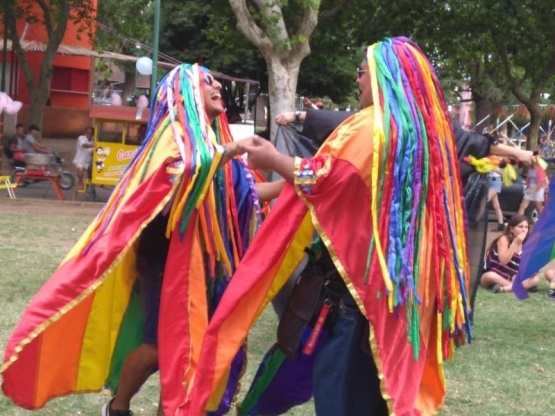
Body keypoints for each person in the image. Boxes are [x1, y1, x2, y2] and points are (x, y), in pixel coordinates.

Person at [183, 37, 472, 416]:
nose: (359, 81)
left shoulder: (376, 127)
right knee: (349, 391)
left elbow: (327, 177)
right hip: (383, 293)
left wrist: (273, 157)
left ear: (384, 77)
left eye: (362, 73)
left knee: (343, 399)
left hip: (352, 298)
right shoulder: (424, 132)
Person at [1, 64, 281, 416]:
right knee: (159, 348)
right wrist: (232, 149)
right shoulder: (174, 135)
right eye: (206, 80)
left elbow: (244, 195)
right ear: (184, 93)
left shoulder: (210, 143)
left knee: (192, 346)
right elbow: (179, 177)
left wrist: (292, 178)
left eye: (217, 80)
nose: (217, 85)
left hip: (203, 266)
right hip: (164, 262)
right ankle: (118, 408)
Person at [480, 214, 539, 293]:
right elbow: (504, 261)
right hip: (494, 274)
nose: (524, 230)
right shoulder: (504, 239)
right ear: (511, 229)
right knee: (490, 276)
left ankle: (504, 289)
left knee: (535, 279)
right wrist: (515, 243)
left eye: (526, 227)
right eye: (520, 227)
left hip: (510, 276)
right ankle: (518, 287)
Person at [71, 126, 94, 200]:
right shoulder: (81, 138)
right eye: (88, 132)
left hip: (87, 163)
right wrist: (93, 145)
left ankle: (82, 194)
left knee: (88, 181)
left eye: (91, 133)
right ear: (85, 133)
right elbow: (84, 145)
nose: (89, 134)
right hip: (79, 160)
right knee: (80, 171)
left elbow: (93, 153)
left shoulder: (94, 141)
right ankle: (74, 197)